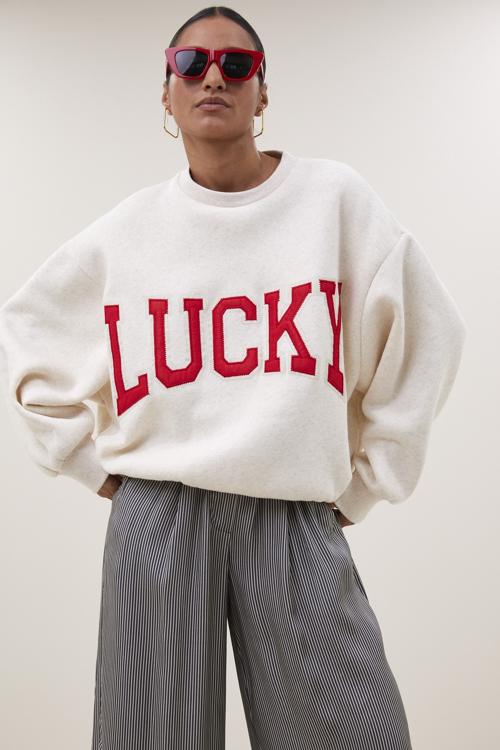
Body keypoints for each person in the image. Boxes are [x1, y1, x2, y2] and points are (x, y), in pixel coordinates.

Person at [0, 6, 466, 750]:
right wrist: (94, 468)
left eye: (236, 64)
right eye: (190, 64)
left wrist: (367, 483)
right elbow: (29, 333)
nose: (212, 76)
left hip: (294, 511)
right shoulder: (128, 231)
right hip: (160, 511)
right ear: (166, 92)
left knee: (350, 731)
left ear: (262, 91)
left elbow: (430, 332)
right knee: (153, 735)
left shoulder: (333, 201)